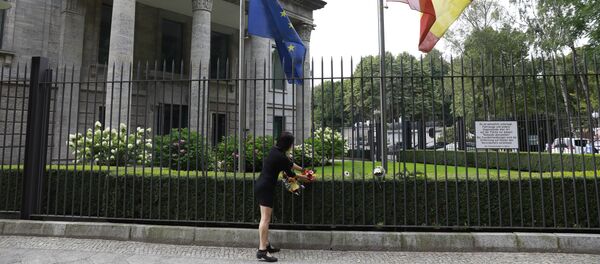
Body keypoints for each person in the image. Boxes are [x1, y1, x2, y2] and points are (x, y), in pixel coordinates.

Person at [254, 132, 308, 262]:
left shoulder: (275, 151)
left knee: (266, 218)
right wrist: (305, 177)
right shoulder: (280, 157)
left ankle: (266, 244)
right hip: (266, 188)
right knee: (265, 219)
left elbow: (289, 163)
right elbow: (291, 175)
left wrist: (303, 169)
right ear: (288, 144)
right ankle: (262, 251)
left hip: (262, 185)